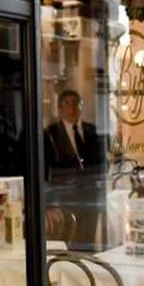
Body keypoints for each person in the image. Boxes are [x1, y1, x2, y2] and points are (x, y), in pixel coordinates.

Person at [43, 89, 106, 249]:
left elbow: (100, 163)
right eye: (67, 104)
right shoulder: (50, 133)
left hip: (91, 197)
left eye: (77, 104)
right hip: (66, 198)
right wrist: (49, 203)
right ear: (60, 109)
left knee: (89, 241)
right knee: (69, 242)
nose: (72, 109)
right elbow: (46, 170)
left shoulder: (92, 130)